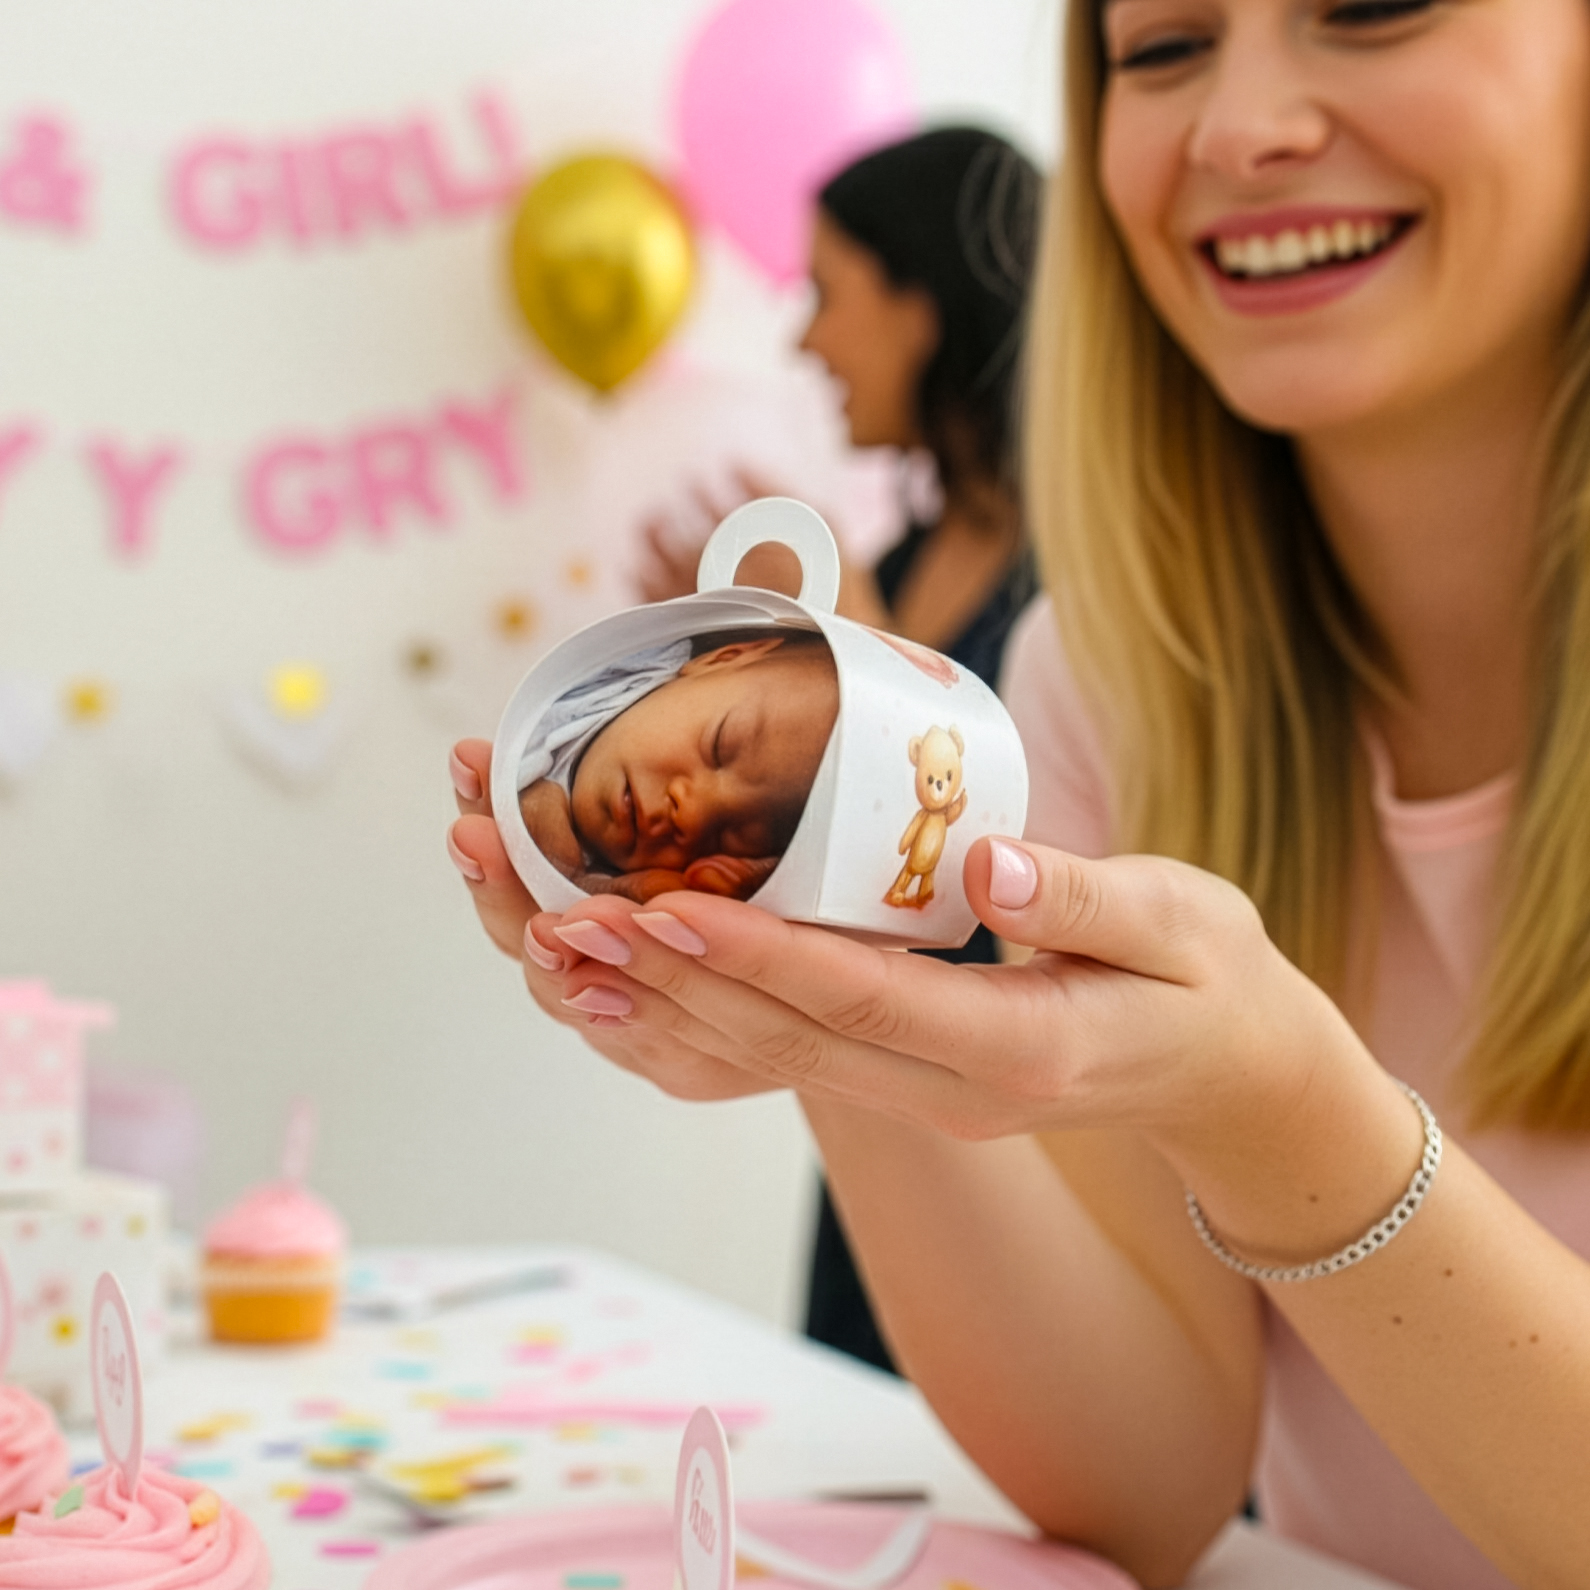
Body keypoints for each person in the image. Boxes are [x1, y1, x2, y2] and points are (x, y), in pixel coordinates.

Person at [445, 0, 1590, 1582]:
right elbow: (1142, 1486)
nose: (1238, 128)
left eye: (1371, 9)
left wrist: (1282, 1115)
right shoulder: (1107, 676)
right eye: (1163, 50)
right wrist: (820, 998)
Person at [636, 125, 1043, 1371]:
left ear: (924, 302)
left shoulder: (1081, 593)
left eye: (828, 291)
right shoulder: (916, 563)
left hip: (1036, 1193)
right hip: (877, 1130)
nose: (807, 340)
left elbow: (1016, 898)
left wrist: (854, 648)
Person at [515, 631, 837, 905]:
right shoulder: (643, 654)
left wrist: (587, 886)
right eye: (719, 745)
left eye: (725, 839)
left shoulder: (653, 886)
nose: (692, 813)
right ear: (721, 659)